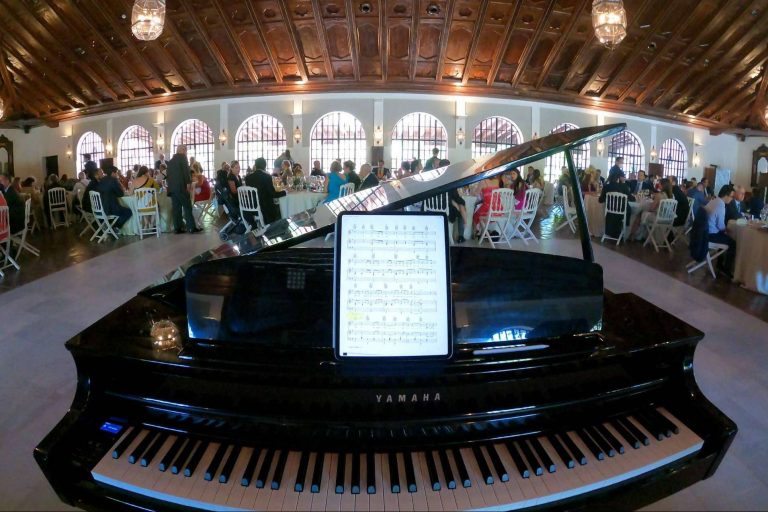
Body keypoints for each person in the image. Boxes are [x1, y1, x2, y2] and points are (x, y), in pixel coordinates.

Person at [166, 144, 201, 234]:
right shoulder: (182, 158)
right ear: (182, 150)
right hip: (181, 187)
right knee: (187, 206)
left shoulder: (171, 161)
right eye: (185, 150)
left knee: (176, 208)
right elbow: (186, 172)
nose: (186, 152)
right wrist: (188, 184)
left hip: (172, 188)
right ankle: (191, 227)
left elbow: (168, 176)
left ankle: (177, 228)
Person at [704, 185, 736, 276]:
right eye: (732, 196)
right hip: (710, 235)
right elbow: (720, 226)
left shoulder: (713, 200)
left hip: (704, 232)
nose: (732, 199)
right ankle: (726, 269)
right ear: (726, 195)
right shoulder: (721, 205)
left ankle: (719, 264)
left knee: (725, 236)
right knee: (733, 243)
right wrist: (727, 229)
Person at [244, 157, 286, 225]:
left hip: (251, 207)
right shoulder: (267, 177)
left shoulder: (248, 178)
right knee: (279, 207)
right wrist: (285, 192)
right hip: (264, 208)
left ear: (256, 165)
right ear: (265, 166)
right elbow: (273, 194)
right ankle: (275, 227)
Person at [599, 168, 633, 237]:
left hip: (610, 212)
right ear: (618, 178)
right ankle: (626, 232)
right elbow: (631, 198)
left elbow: (600, 200)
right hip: (621, 213)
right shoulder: (623, 186)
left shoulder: (606, 187)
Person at [97, 166, 132, 230]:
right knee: (129, 211)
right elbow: (120, 194)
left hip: (101, 208)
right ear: (113, 173)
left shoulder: (102, 180)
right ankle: (115, 226)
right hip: (110, 209)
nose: (116, 174)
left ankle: (111, 225)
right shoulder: (113, 180)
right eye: (116, 173)